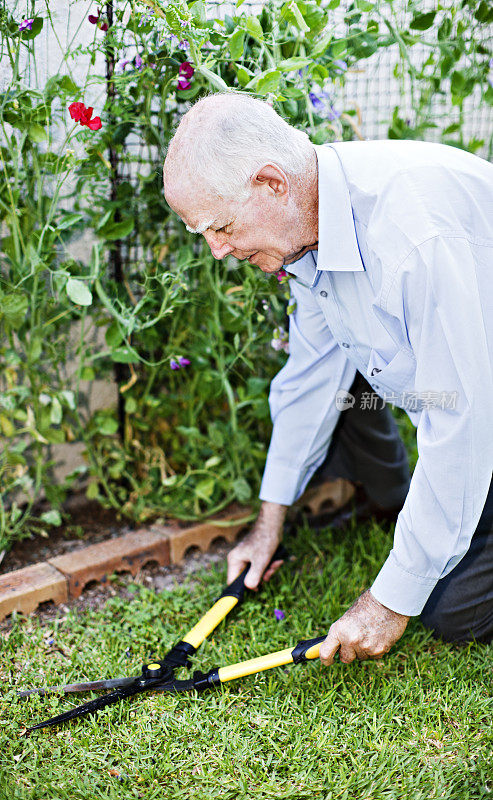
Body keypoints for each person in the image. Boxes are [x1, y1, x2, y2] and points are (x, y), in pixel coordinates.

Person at [163, 92, 493, 663]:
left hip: (475, 405)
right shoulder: (309, 230)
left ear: (271, 183)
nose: (217, 251)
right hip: (453, 388)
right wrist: (268, 524)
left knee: (449, 609)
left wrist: (389, 601)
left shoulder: (414, 239)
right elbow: (312, 377)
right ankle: (400, 501)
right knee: (345, 392)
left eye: (220, 227)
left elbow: (464, 420)